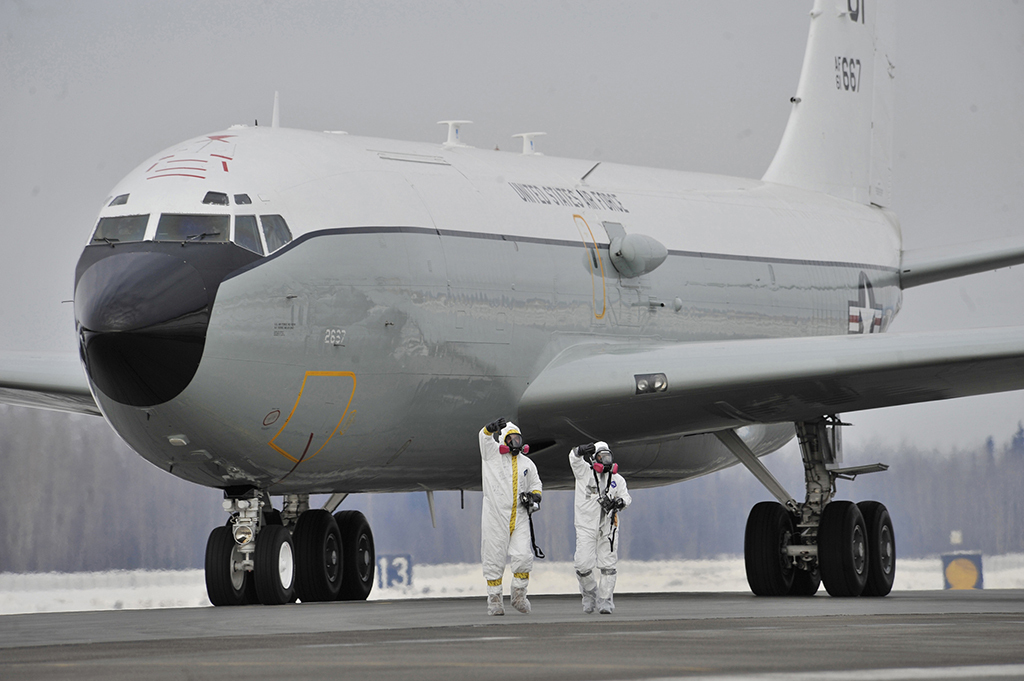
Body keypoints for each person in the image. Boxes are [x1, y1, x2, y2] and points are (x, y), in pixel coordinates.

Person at [479, 417, 543, 615]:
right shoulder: (492, 455)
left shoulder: (527, 463)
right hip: (496, 515)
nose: (516, 443)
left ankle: (518, 595)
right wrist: (488, 430)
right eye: (512, 439)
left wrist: (534, 496)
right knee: (494, 557)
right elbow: (483, 439)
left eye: (518, 439)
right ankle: (495, 600)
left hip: (520, 515)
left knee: (523, 556)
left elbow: (536, 484)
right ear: (504, 440)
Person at [570, 441, 631, 614]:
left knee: (608, 566)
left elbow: (626, 497)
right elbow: (574, 460)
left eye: (608, 457)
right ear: (593, 459)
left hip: (608, 527)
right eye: (601, 457)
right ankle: (590, 593)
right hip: (586, 526)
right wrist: (578, 451)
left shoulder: (617, 480)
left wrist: (620, 502)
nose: (605, 461)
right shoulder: (584, 473)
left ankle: (605, 601)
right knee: (582, 565)